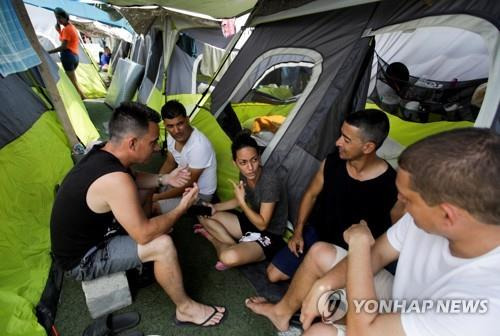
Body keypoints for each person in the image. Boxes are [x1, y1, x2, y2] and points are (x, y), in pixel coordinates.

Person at [247, 127, 500, 336]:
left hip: (410, 324)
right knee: (320, 252)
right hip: (400, 302)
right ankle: (281, 313)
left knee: (318, 333)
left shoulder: (485, 303)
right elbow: (377, 256)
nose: (399, 203)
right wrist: (322, 285)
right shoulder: (420, 220)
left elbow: (363, 333)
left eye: (407, 200)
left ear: (448, 214)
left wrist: (358, 243)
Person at [51, 102, 226, 327]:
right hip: (83, 259)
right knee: (162, 244)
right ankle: (186, 309)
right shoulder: (115, 180)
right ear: (132, 143)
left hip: (86, 236)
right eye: (152, 142)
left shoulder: (103, 152)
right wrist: (181, 207)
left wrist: (164, 179)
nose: (156, 148)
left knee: (146, 192)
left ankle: (143, 263)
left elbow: (134, 179)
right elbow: (144, 235)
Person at [267, 108, 403, 283]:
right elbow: (311, 195)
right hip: (319, 234)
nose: (338, 142)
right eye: (341, 135)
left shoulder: (391, 184)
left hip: (355, 252)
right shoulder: (332, 162)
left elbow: (396, 232)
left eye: (346, 140)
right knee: (274, 274)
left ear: (368, 147)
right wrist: (298, 232)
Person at [196, 130, 288, 271]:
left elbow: (263, 224)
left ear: (259, 158)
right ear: (235, 163)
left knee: (228, 257)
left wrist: (243, 203)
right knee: (204, 216)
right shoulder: (244, 173)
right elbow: (239, 200)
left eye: (254, 160)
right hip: (250, 221)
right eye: (243, 162)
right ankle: (234, 244)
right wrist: (215, 207)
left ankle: (214, 239)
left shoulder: (270, 181)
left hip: (269, 234)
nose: (250, 168)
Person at [153, 100, 217, 213]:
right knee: (147, 191)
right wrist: (156, 184)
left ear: (187, 119)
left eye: (180, 124)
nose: (176, 131)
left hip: (199, 193)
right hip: (179, 181)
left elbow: (189, 184)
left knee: (154, 206)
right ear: (164, 125)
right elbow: (169, 163)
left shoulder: (199, 146)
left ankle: (201, 206)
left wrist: (158, 197)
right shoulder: (172, 137)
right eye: (170, 126)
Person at [48, 7, 85, 100]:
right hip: (74, 56)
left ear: (65, 17)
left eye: (59, 18)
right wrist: (59, 31)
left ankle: (81, 97)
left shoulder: (67, 29)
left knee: (72, 82)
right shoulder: (71, 27)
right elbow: (67, 40)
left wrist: (49, 52)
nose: (58, 20)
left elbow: (64, 46)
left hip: (68, 56)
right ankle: (81, 97)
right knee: (73, 81)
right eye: (57, 18)